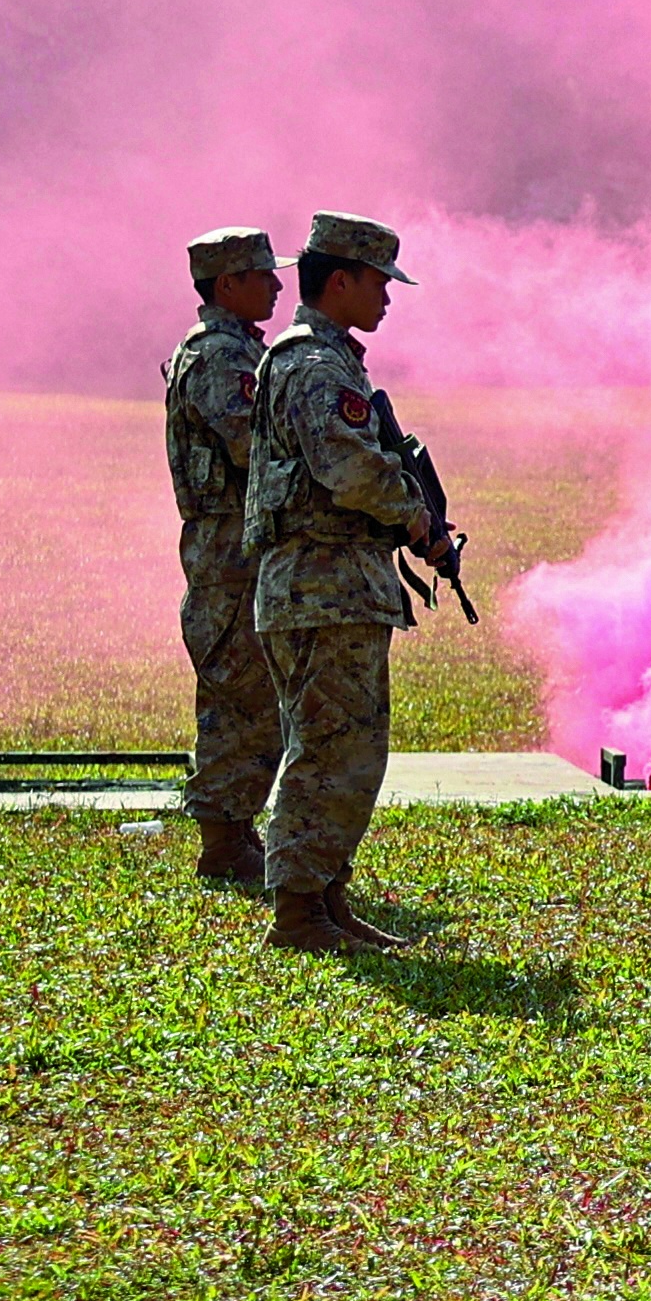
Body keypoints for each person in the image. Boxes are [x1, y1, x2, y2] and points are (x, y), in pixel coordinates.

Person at [242, 211, 453, 958]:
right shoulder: (314, 366)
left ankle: (326, 896)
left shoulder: (328, 362)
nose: (387, 298)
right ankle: (298, 914)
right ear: (340, 281)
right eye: (377, 282)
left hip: (337, 586)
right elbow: (348, 468)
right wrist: (415, 516)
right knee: (330, 749)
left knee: (351, 749)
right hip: (318, 586)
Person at [164, 227, 287, 885]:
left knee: (252, 692)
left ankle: (234, 829)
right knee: (237, 691)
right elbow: (255, 444)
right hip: (227, 549)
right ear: (227, 285)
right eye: (263, 275)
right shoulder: (219, 359)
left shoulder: (235, 351)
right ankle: (224, 837)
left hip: (237, 545)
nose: (276, 285)